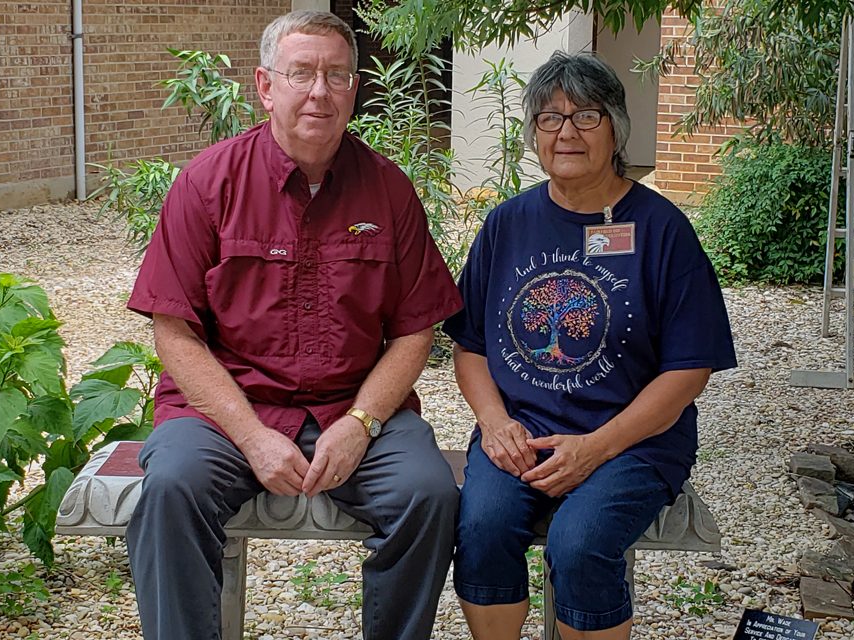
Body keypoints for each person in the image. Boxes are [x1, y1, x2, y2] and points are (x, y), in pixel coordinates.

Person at [124, 10, 463, 640]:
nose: (319, 91)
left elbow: (415, 329)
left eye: (337, 75)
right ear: (265, 85)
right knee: (172, 488)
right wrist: (251, 436)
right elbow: (174, 331)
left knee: (429, 494)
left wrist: (361, 424)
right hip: (225, 413)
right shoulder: (207, 184)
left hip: (353, 406)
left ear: (354, 88)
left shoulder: (388, 190)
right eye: (301, 73)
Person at [443, 52, 737, 640]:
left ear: (617, 128)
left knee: (580, 544)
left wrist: (597, 447)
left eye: (586, 116)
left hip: (633, 440)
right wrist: (495, 421)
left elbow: (689, 369)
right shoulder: (506, 224)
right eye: (549, 118)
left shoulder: (661, 229)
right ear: (534, 135)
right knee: (482, 528)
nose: (567, 132)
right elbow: (470, 344)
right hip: (521, 432)